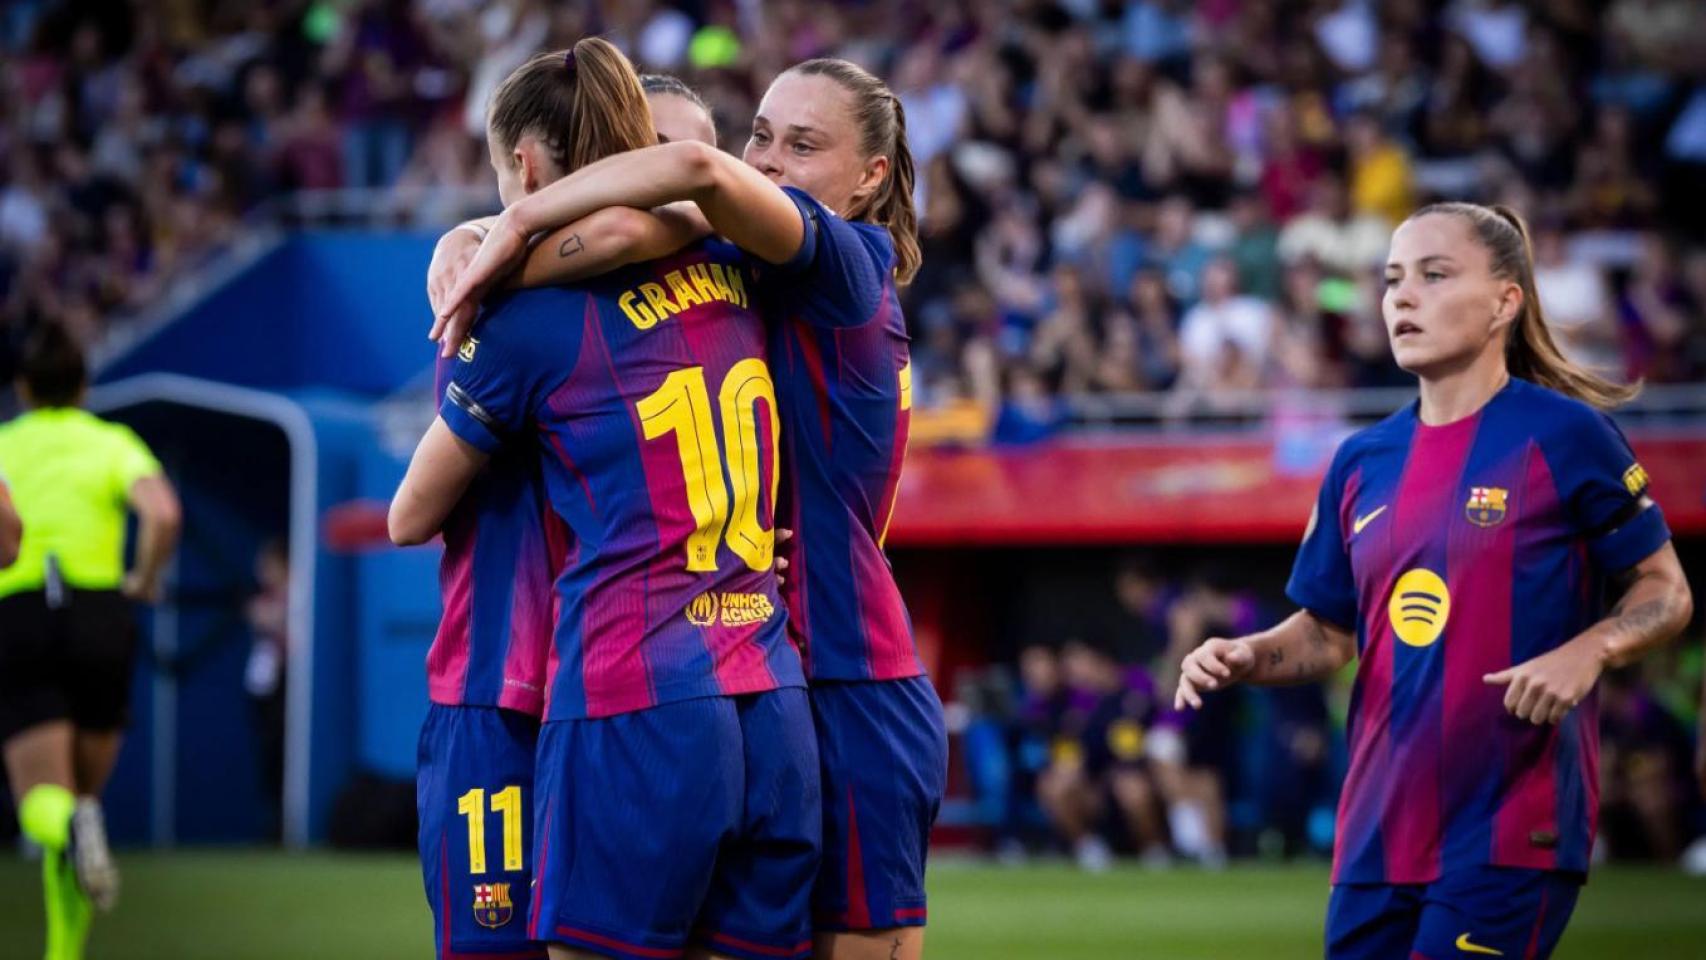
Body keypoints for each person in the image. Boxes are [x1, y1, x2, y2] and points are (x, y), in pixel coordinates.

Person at [436, 56, 947, 960]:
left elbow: (691, 183)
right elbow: (646, 223)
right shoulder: (745, 271)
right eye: (763, 136)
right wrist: (466, 234)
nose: (771, 161)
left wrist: (508, 227)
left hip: (847, 673)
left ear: (872, 177)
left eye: (803, 145)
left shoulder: (843, 261)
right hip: (766, 667)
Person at [390, 40, 818, 960]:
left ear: (528, 165)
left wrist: (483, 247)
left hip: (552, 681)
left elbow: (407, 517)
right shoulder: (744, 275)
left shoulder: (507, 314)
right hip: (730, 672)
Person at [1174, 202, 1693, 960]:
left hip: (1509, 826)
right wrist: (1249, 655)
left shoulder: (1567, 435)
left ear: (1505, 303)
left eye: (1434, 275)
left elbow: (1666, 590)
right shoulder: (1359, 461)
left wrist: (1590, 650)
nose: (1402, 297)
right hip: (1376, 833)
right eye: (1392, 280)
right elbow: (1329, 632)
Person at [0, 323, 181, 960]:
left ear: (22, 388)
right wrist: (145, 578)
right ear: (83, 385)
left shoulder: (5, 443)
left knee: (42, 804)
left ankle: (69, 826)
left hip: (22, 611)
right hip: (101, 618)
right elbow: (162, 513)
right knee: (82, 803)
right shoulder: (111, 441)